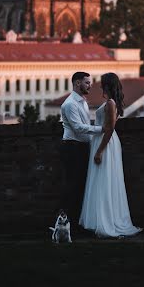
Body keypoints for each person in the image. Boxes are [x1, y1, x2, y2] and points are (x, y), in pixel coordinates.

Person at [79, 72, 142, 238]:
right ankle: (100, 219)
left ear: (107, 85)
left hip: (105, 143)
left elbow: (109, 129)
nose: (99, 86)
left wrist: (100, 151)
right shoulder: (111, 103)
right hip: (103, 141)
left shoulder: (111, 104)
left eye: (102, 83)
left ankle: (106, 221)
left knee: (104, 181)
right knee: (102, 180)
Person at [60, 71, 103, 226]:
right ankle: (66, 223)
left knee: (82, 186)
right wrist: (101, 129)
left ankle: (79, 222)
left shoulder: (83, 102)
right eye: (87, 82)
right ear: (77, 83)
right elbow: (78, 128)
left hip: (82, 147)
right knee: (73, 186)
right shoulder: (70, 104)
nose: (90, 85)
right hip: (73, 148)